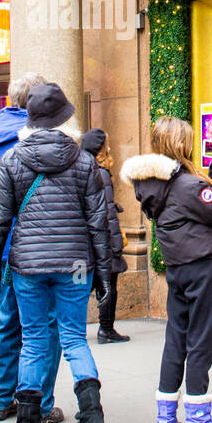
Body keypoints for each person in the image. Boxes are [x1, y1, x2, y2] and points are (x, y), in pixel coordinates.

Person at [0, 83, 113, 423]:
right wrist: (103, 274)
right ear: (64, 119)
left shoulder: (11, 160)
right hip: (75, 264)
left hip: (28, 265)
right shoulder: (84, 161)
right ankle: (91, 414)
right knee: (73, 338)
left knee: (34, 341)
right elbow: (97, 222)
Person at [122, 116, 212, 423]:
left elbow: (196, 206)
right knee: (200, 340)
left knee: (176, 339)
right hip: (201, 267)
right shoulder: (188, 186)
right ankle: (199, 421)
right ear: (180, 144)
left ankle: (165, 419)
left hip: (177, 268)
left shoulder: (150, 184)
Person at [0, 72, 65, 423]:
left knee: (6, 323)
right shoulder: (47, 139)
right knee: (45, 326)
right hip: (43, 248)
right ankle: (41, 402)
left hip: (2, 248)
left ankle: (0, 398)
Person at [81, 128, 129, 343]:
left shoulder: (83, 169)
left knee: (84, 286)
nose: (110, 147)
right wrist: (115, 245)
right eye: (107, 144)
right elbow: (105, 211)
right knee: (109, 284)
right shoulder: (100, 173)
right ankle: (106, 329)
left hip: (86, 241)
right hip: (103, 240)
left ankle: (76, 329)